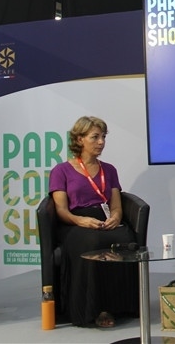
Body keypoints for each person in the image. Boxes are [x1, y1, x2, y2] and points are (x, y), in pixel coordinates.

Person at [48, 116, 139, 328]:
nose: (101, 142)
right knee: (93, 242)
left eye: (103, 137)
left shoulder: (110, 170)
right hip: (75, 222)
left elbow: (116, 205)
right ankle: (95, 309)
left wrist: (115, 217)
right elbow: (61, 210)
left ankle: (121, 306)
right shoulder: (61, 170)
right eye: (95, 137)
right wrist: (80, 220)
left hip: (104, 219)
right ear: (80, 139)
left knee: (125, 238)